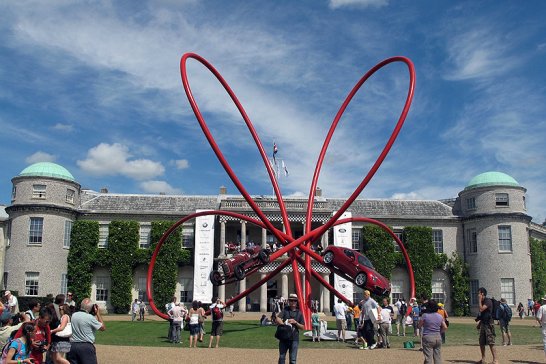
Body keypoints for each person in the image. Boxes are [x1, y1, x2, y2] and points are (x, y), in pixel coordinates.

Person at [66, 298, 106, 364]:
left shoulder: (73, 315)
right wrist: (98, 313)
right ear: (90, 308)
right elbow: (103, 328)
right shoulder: (90, 317)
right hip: (86, 347)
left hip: (72, 346)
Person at [275, 293, 304, 364]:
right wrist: (284, 324)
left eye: (294, 301)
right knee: (282, 357)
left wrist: (295, 322)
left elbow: (302, 327)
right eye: (291, 300)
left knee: (293, 360)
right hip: (284, 338)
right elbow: (277, 318)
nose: (293, 302)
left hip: (294, 339)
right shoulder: (285, 310)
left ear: (297, 302)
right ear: (289, 301)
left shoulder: (299, 313)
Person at [418, 299, 447, 363]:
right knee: (438, 357)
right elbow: (445, 327)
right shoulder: (440, 316)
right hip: (438, 337)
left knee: (428, 358)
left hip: (428, 336)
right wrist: (440, 332)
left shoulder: (425, 315)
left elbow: (419, 326)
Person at [476, 287, 498, 364]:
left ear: (482, 294)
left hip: (489, 324)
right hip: (483, 323)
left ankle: (495, 360)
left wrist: (479, 300)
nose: (478, 295)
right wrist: (479, 323)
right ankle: (483, 359)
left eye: (479, 293)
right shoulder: (482, 302)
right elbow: (482, 313)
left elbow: (481, 309)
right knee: (481, 342)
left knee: (491, 342)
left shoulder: (488, 301)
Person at [535, 296, 546, 361]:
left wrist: (540, 324)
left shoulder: (542, 307)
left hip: (544, 325)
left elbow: (538, 317)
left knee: (545, 342)